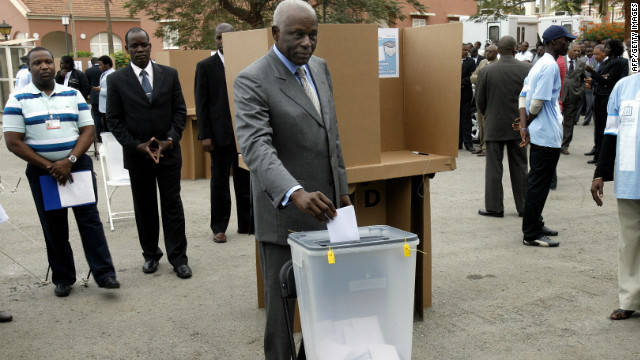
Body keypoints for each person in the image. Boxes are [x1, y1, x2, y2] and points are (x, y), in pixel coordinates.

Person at [233, 0, 351, 358]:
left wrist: (342, 192)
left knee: (327, 303)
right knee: (283, 310)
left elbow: (332, 135)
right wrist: (294, 191)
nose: (306, 43)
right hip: (285, 216)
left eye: (312, 35)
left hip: (327, 211)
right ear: (275, 33)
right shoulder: (252, 79)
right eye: (297, 34)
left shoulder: (320, 67)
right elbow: (256, 146)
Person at [3, 47, 120, 297]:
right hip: (43, 171)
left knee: (89, 221)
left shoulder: (73, 94)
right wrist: (51, 166)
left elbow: (88, 130)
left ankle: (105, 274)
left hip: (76, 166)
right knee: (54, 226)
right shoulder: (17, 99)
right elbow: (13, 141)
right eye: (37, 63)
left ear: (54, 65)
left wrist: (70, 160)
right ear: (29, 68)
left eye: (48, 61)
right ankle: (63, 278)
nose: (44, 66)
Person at [106, 28, 192, 279]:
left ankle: (179, 259)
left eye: (144, 45)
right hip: (138, 156)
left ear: (150, 46)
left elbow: (179, 112)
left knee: (172, 206)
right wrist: (136, 146)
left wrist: (170, 141)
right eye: (134, 46)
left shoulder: (169, 74)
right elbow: (114, 119)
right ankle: (151, 255)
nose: (140, 49)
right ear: (126, 50)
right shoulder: (116, 80)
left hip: (168, 155)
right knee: (144, 208)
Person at [517, 25, 575, 247]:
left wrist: (524, 127)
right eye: (564, 40)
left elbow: (522, 97)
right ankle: (531, 233)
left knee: (537, 182)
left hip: (540, 132)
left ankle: (536, 223)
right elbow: (537, 102)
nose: (568, 43)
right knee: (539, 185)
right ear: (553, 41)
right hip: (547, 133)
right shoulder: (550, 65)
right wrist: (527, 123)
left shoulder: (538, 63)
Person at [194, 23, 252, 243]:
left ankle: (246, 223)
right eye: (219, 37)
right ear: (215, 39)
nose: (222, 41)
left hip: (244, 133)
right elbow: (202, 102)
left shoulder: (246, 63)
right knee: (219, 182)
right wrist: (205, 135)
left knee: (245, 179)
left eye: (226, 37)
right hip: (218, 136)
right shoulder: (205, 66)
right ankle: (219, 227)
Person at [590, 73, 640, 320]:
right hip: (630, 177)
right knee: (629, 241)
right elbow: (610, 134)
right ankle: (629, 299)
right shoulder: (623, 87)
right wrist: (600, 172)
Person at [476, 36, 531, 218]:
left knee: (493, 168)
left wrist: (489, 114)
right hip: (519, 124)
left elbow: (480, 101)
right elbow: (530, 98)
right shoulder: (527, 69)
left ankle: (494, 207)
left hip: (494, 124)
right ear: (515, 48)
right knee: (520, 167)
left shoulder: (487, 71)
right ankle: (524, 206)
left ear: (498, 50)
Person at [585, 39, 627, 165]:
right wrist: (593, 80)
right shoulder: (606, 62)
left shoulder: (618, 62)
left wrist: (593, 74)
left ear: (614, 49)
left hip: (608, 98)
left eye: (607, 47)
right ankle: (597, 154)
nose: (605, 49)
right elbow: (600, 78)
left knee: (605, 128)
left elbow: (608, 81)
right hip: (599, 96)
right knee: (598, 128)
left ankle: (603, 158)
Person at [470, 44, 498, 156]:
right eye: (486, 51)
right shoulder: (482, 62)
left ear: (496, 52)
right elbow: (472, 77)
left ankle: (488, 148)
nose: (487, 53)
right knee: (480, 122)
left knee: (488, 123)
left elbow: (490, 80)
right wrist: (482, 78)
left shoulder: (497, 65)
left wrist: (480, 78)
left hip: (489, 98)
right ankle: (482, 145)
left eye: (490, 51)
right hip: (478, 96)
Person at [560, 43, 586, 155]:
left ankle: (565, 145)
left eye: (578, 51)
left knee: (569, 122)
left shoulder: (581, 63)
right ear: (569, 50)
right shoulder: (560, 60)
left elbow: (584, 78)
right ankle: (554, 144)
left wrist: (582, 90)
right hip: (559, 95)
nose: (577, 53)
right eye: (575, 50)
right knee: (556, 120)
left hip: (573, 96)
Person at [460, 44, 477, 152]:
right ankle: (457, 143)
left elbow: (472, 77)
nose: (466, 52)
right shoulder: (451, 60)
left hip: (466, 92)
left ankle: (468, 143)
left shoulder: (470, 62)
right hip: (453, 94)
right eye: (464, 50)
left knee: (466, 119)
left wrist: (461, 82)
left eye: (467, 50)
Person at [96, 55, 114, 135]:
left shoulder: (112, 74)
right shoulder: (103, 74)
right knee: (106, 127)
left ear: (107, 65)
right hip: (103, 106)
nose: (99, 67)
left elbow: (112, 91)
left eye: (100, 65)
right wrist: (99, 88)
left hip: (109, 106)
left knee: (110, 128)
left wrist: (100, 90)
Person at [85, 57, 103, 138]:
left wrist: (88, 94)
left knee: (96, 116)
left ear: (91, 63)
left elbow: (87, 84)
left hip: (94, 96)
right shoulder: (104, 69)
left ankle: (99, 136)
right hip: (104, 96)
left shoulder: (88, 71)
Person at [581, 46, 598, 126]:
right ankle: (575, 119)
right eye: (588, 51)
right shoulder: (582, 60)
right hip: (583, 83)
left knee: (590, 103)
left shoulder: (597, 60)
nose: (589, 53)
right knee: (581, 103)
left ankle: (587, 120)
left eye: (591, 51)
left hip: (592, 83)